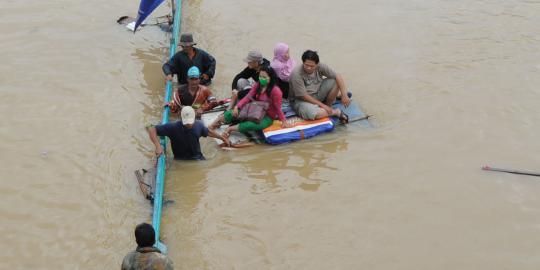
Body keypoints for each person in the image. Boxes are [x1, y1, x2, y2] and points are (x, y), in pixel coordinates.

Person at [210, 65, 292, 137]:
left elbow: (278, 108)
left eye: (264, 77)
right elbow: (248, 97)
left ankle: (230, 129)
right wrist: (237, 106)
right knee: (231, 113)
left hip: (267, 117)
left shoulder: (276, 91)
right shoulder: (258, 85)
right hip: (255, 108)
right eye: (260, 76)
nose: (261, 79)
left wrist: (284, 121)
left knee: (250, 125)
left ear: (270, 78)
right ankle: (213, 124)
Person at [288, 50, 350, 123]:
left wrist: (344, 95)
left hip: (317, 93)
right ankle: (335, 112)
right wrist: (322, 106)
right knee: (313, 113)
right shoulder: (296, 74)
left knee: (335, 81)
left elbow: (337, 76)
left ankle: (328, 106)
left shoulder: (320, 66)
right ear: (303, 62)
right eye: (306, 65)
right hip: (301, 100)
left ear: (317, 64)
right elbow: (303, 96)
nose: (309, 68)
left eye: (312, 66)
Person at [147, 106, 230, 160]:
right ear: (181, 118)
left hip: (198, 158)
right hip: (180, 160)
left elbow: (208, 132)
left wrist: (223, 138)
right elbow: (151, 128)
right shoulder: (173, 127)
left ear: (194, 118)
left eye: (190, 122)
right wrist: (158, 146)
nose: (189, 124)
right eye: (186, 122)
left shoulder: (199, 125)